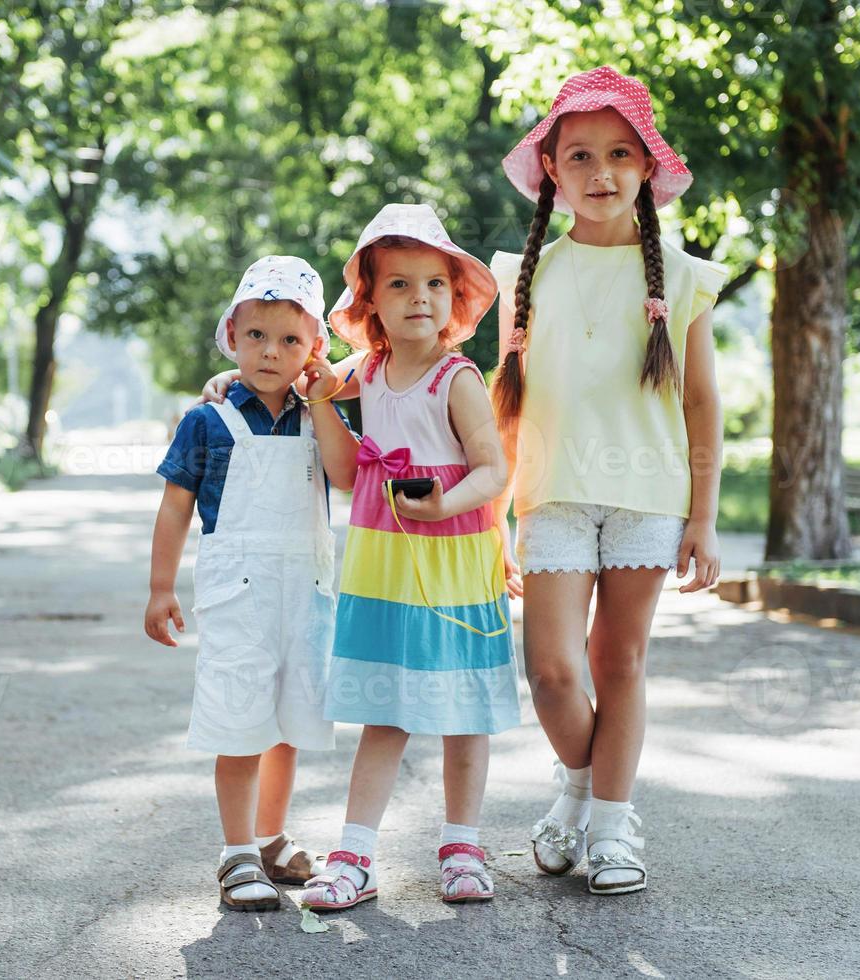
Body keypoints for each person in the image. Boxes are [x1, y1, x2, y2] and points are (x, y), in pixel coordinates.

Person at [206, 206, 520, 909]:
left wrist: (444, 503)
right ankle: (356, 853)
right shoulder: (369, 370)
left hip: (451, 560)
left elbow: (491, 469)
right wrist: (231, 384)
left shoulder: (456, 377)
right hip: (382, 566)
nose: (419, 299)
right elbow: (301, 380)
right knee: (387, 711)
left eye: (434, 284)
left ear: (454, 299)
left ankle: (462, 846)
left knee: (461, 708)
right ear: (371, 303)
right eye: (400, 285)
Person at [490, 65, 730, 895]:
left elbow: (700, 402)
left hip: (647, 496)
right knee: (553, 672)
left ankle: (611, 827)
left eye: (619, 154)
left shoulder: (686, 280)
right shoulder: (522, 276)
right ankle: (580, 790)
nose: (600, 174)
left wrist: (703, 517)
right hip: (549, 492)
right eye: (580, 156)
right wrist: (491, 518)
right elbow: (502, 408)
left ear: (646, 169)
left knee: (618, 662)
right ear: (551, 170)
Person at [145, 255, 359, 912]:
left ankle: (270, 838)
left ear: (314, 349)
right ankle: (235, 852)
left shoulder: (314, 415)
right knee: (240, 723)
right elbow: (176, 506)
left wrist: (321, 398)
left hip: (305, 596)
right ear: (232, 337)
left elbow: (347, 476)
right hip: (236, 597)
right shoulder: (206, 421)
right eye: (256, 337)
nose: (271, 352)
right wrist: (160, 588)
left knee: (289, 725)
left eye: (290, 340)